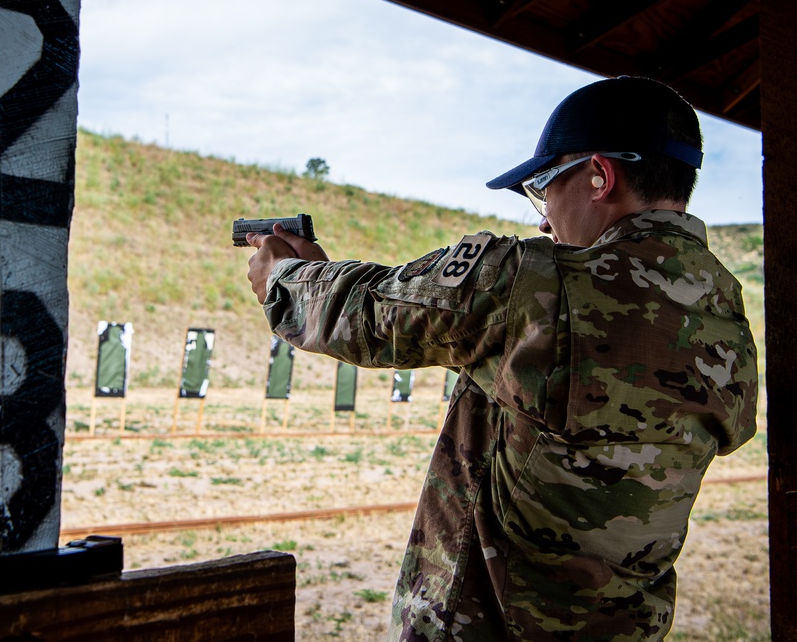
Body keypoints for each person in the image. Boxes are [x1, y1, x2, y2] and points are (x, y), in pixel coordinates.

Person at [245, 76, 758, 641]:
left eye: (543, 187)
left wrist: (282, 278)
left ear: (599, 175)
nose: (542, 218)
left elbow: (366, 316)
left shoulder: (532, 285)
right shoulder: (724, 307)